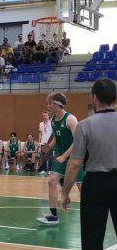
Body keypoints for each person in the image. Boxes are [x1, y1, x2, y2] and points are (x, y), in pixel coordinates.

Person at [61, 78, 116, 250]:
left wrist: (65, 193)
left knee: (92, 237)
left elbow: (75, 164)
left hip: (95, 184)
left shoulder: (85, 125)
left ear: (94, 98)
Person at [36, 93, 82, 224]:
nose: (48, 106)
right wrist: (49, 146)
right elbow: (57, 136)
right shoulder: (53, 120)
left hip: (75, 157)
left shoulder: (70, 119)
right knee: (52, 181)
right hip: (61, 156)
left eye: (50, 103)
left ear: (57, 104)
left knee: (81, 188)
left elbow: (78, 141)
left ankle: (91, 214)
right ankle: (53, 215)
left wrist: (64, 156)